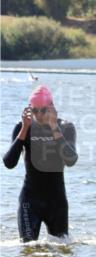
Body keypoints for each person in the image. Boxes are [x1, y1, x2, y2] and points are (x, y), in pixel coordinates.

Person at [3, 86, 78, 242]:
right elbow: (9, 162)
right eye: (35, 111)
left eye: (43, 110)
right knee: (28, 249)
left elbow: (71, 160)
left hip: (56, 201)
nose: (39, 115)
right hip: (30, 201)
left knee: (61, 251)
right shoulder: (22, 127)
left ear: (51, 108)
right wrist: (24, 128)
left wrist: (54, 128)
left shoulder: (65, 127)